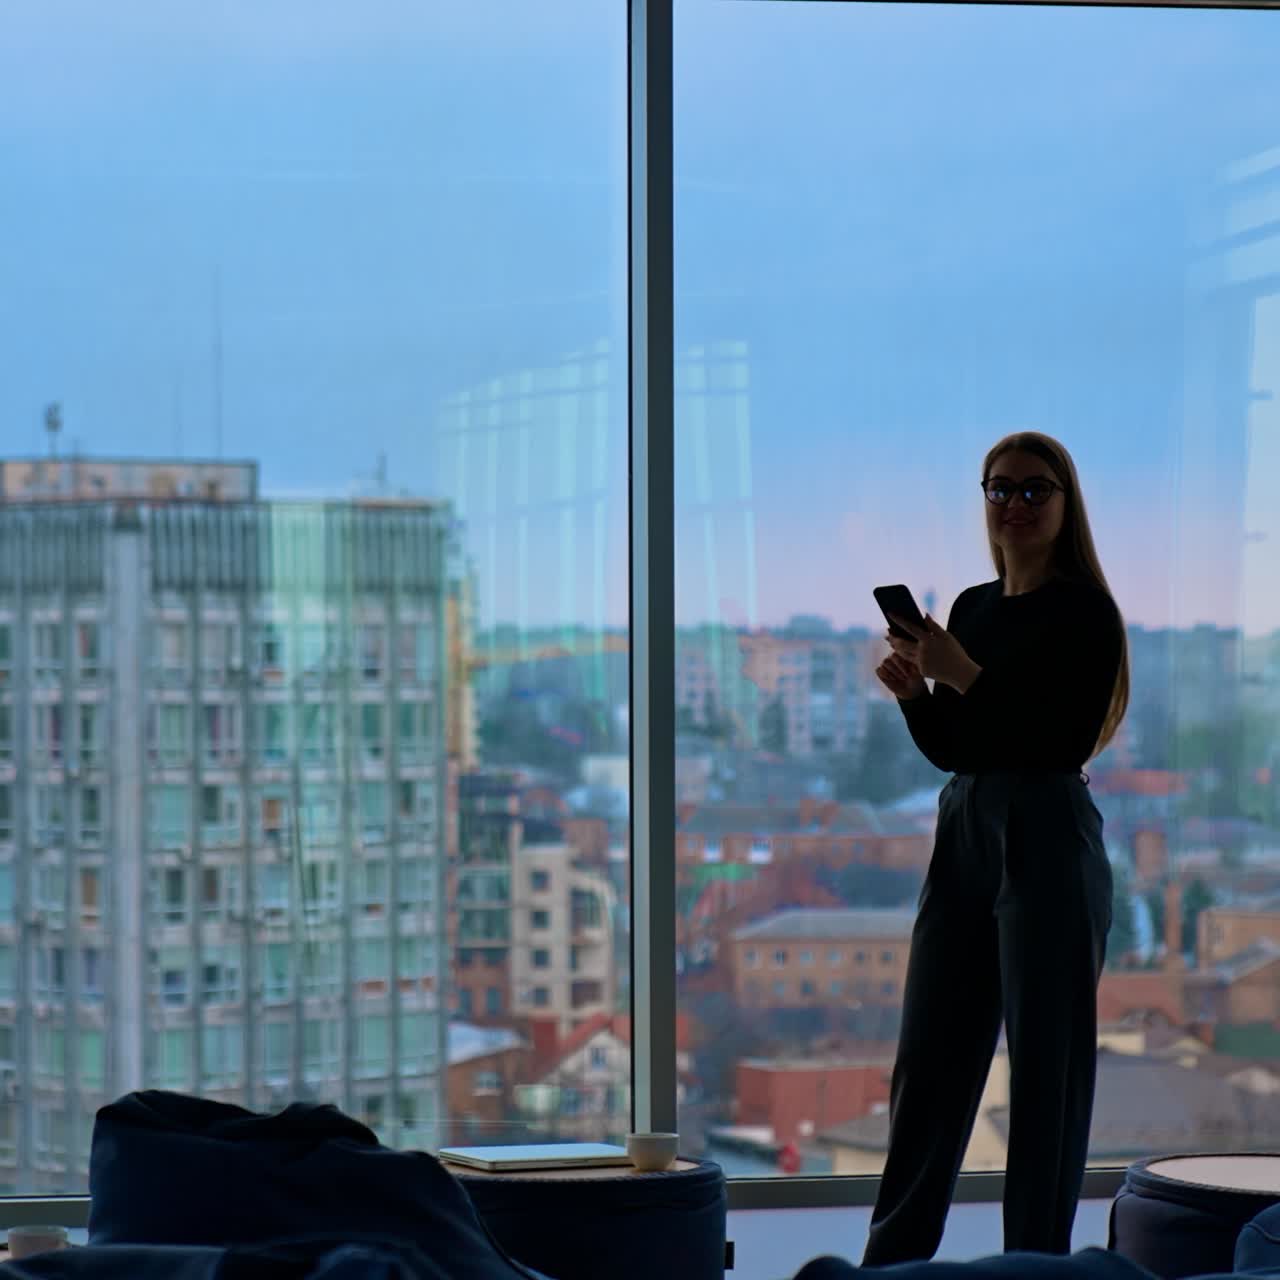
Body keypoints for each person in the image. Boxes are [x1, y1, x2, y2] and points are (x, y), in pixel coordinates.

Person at [862, 432, 1129, 1265]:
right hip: (966, 826)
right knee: (929, 1067)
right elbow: (959, 748)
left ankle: (1037, 1268)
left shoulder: (1086, 612)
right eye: (999, 488)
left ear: (1065, 503)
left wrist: (963, 672)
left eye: (1034, 489)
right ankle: (891, 1266)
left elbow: (1061, 739)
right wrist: (917, 694)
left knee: (1046, 1079)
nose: (1015, 504)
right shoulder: (974, 608)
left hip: (1048, 831)